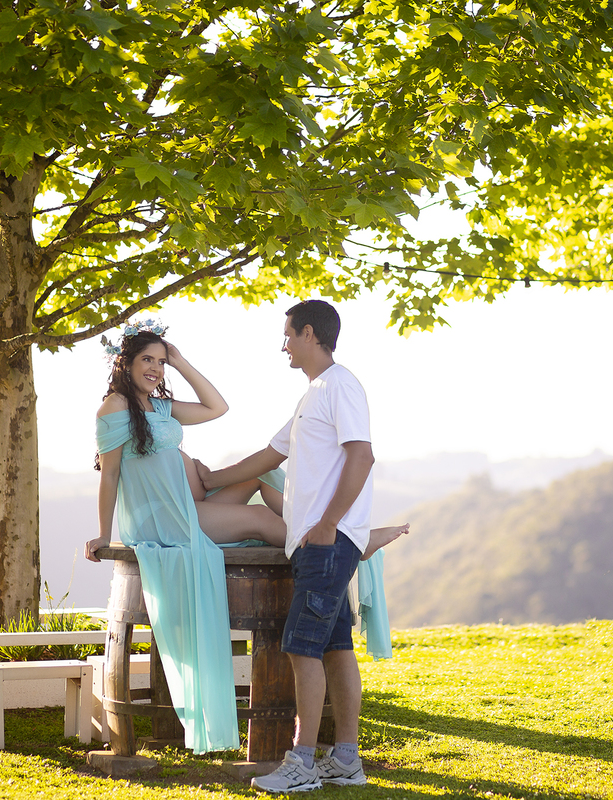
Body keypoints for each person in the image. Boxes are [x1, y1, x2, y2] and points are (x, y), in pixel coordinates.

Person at [82, 318, 405, 755]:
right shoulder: (114, 409)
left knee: (265, 473)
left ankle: (342, 533)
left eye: (161, 361)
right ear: (124, 362)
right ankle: (346, 538)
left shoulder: (159, 407)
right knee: (256, 521)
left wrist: (181, 360)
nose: (156, 368)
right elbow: (112, 474)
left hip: (190, 500)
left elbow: (217, 407)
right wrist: (104, 533)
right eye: (148, 360)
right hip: (168, 516)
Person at [196, 299, 381, 792]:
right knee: (336, 648)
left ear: (309, 333)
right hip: (316, 545)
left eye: (288, 336)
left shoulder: (341, 385)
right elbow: (268, 455)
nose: (284, 346)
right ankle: (345, 760)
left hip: (327, 542)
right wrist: (212, 477)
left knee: (302, 650)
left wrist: (327, 524)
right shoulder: (312, 395)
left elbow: (362, 457)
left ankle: (301, 763)